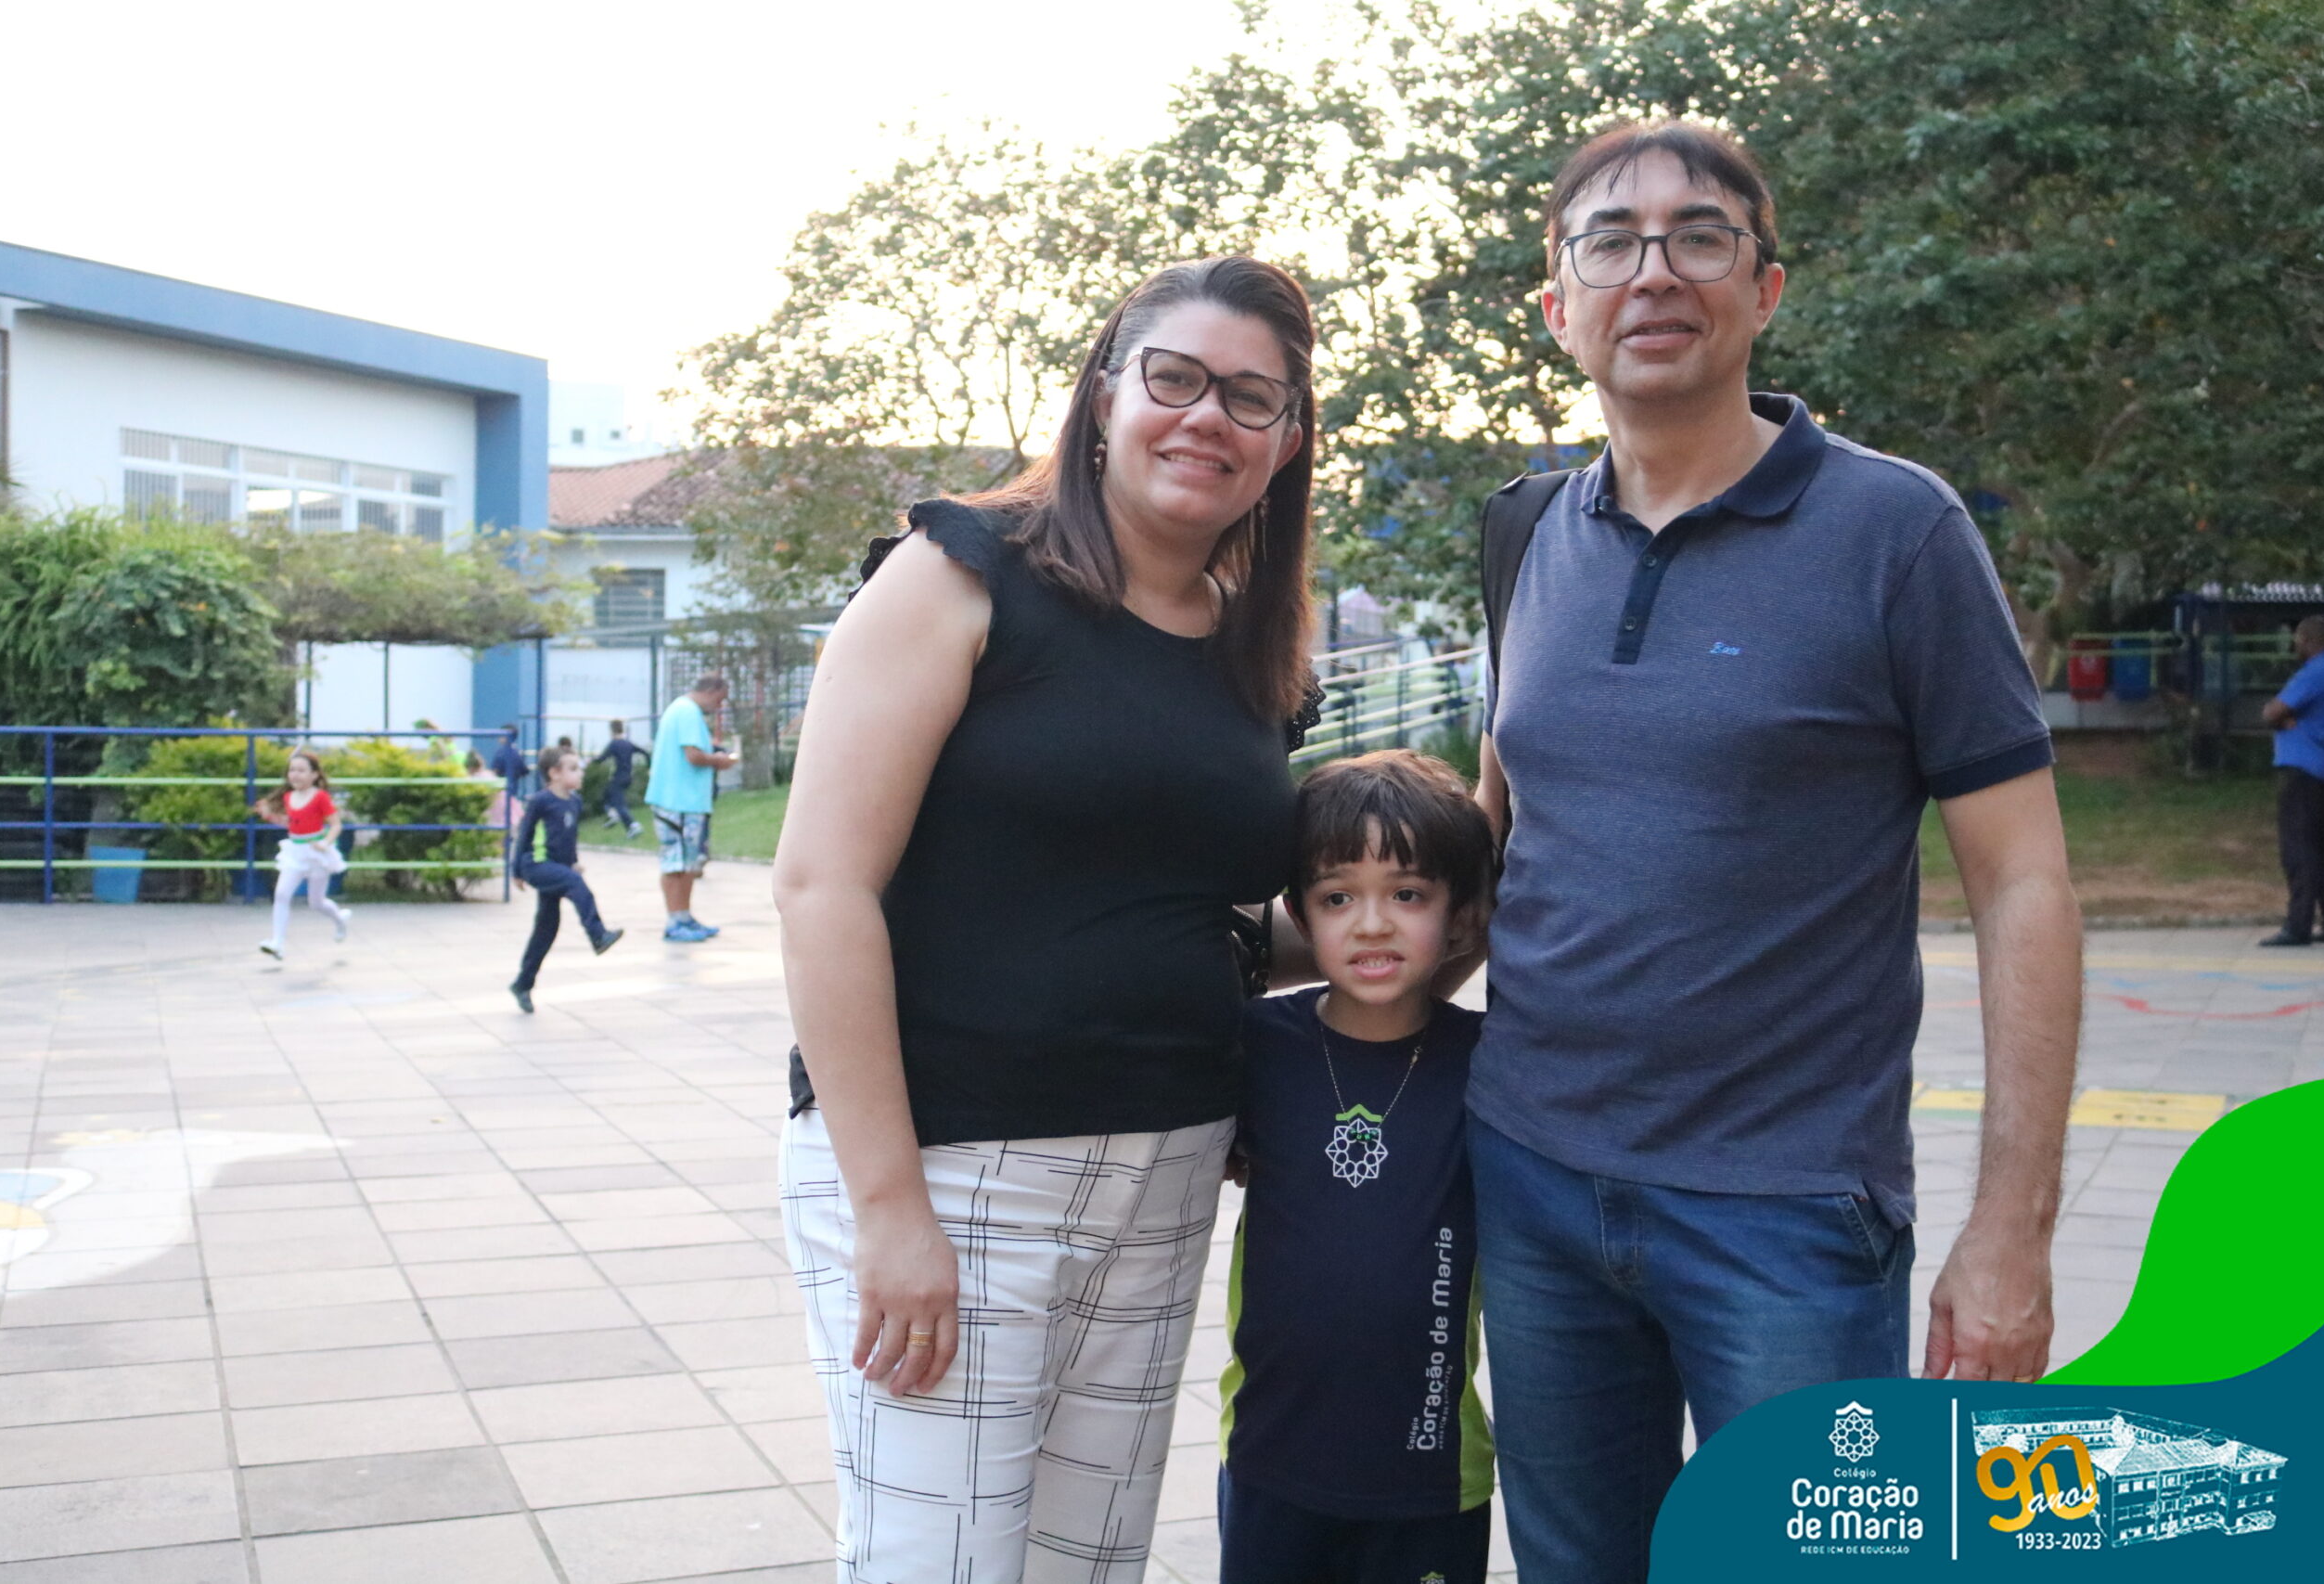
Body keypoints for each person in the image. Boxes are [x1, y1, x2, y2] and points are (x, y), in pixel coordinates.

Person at [1469, 121, 2083, 1580]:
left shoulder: (1897, 529)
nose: (1653, 271)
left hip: (1789, 1215)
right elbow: (1491, 837)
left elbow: (2025, 883)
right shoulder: (1525, 532)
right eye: (1609, 241)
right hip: (1531, 1182)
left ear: (1765, 289)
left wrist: (2012, 1228)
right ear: (1558, 305)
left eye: (1701, 236)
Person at [772, 255, 1319, 1582]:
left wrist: (1437, 917)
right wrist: (889, 1205)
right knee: (938, 1563)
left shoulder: (1253, 646)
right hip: (955, 1169)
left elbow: (1192, 909)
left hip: (1168, 1166)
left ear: (1288, 439)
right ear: (1105, 394)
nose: (1207, 417)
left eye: (1251, 397)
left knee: (1089, 1564)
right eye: (1175, 378)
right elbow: (820, 884)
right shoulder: (959, 572)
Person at [1217, 751, 1497, 1584]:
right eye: (1338, 897)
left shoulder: (1490, 1064)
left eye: (1407, 894)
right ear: (1299, 913)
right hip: (1271, 1458)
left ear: (1460, 912)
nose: (1372, 924)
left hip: (1430, 1474)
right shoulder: (1255, 1044)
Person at [507, 746, 624, 1012]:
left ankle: (522, 984)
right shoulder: (540, 801)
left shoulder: (575, 801)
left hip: (558, 866)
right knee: (575, 884)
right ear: (554, 773)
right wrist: (516, 871)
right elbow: (524, 835)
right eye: (573, 768)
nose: (580, 773)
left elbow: (568, 837)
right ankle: (598, 935)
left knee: (547, 927)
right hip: (536, 864)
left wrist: (573, 862)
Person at [2258, 614, 2324, 947]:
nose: (2294, 646)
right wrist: (2285, 717)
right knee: (2320, 848)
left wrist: (2281, 716)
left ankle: (2298, 925)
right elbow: (2282, 714)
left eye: (2297, 640)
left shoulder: (2315, 672)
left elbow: (2272, 712)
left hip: (2303, 767)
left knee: (2299, 848)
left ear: (2309, 641)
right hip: (2323, 766)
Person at [645, 676, 736, 941]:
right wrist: (718, 760)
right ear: (711, 691)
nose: (719, 707)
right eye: (719, 699)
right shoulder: (687, 712)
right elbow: (693, 755)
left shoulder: (682, 710)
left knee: (687, 863)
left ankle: (684, 916)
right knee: (675, 863)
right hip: (678, 801)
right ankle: (675, 920)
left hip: (686, 801)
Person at [254, 749, 351, 961]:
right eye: (292, 770)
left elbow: (336, 825)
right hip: (295, 853)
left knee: (316, 902)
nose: (295, 775)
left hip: (316, 854)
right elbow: (293, 823)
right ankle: (277, 943)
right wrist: (270, 816)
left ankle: (339, 919)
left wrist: (325, 843)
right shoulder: (289, 796)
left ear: (314, 775)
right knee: (281, 894)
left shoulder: (320, 797)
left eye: (301, 770)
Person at [593, 718, 648, 837]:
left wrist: (590, 761)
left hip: (618, 777)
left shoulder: (614, 744)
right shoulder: (628, 743)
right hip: (628, 777)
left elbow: (602, 758)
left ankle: (633, 824)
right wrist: (649, 766)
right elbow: (645, 752)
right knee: (607, 794)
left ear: (611, 731)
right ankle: (613, 815)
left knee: (619, 804)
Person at [488, 724, 528, 798]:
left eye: (500, 735)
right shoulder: (517, 753)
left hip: (500, 791)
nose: (498, 737)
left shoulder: (500, 753)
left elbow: (494, 772)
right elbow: (524, 771)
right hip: (513, 790)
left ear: (505, 737)